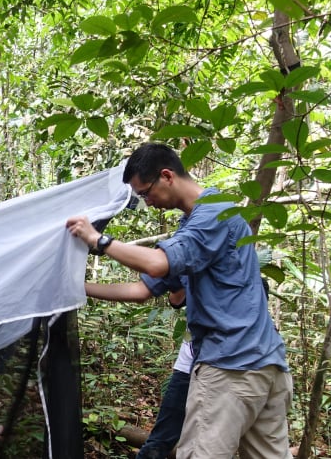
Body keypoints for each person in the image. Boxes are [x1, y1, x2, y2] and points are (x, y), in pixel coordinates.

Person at [66, 142, 292, 459]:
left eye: (145, 193)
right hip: (264, 365)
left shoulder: (213, 214)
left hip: (230, 366)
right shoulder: (194, 226)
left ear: (167, 176)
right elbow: (141, 291)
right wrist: (76, 286)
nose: (147, 202)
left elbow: (157, 263)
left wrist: (98, 240)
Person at [136, 290, 191, 459]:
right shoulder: (193, 269)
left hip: (225, 368)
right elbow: (175, 300)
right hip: (188, 368)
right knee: (162, 438)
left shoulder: (253, 280)